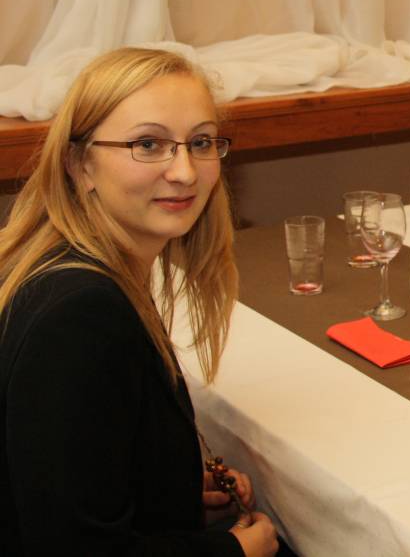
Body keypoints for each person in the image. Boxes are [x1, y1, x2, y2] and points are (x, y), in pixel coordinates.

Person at [0, 48, 279, 556]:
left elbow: (65, 475)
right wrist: (235, 551)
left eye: (201, 142)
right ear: (79, 165)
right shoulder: (80, 315)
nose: (185, 172)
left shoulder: (82, 271)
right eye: (148, 144)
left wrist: (168, 490)